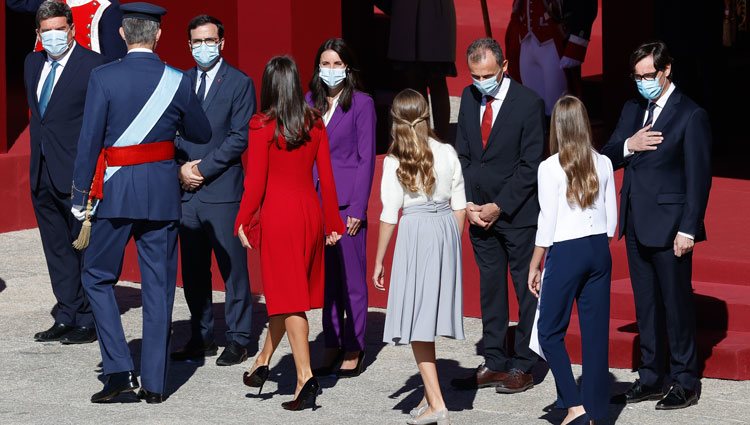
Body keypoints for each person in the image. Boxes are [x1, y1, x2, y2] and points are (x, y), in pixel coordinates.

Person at [70, 2, 212, 404]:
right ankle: (154, 384)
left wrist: (80, 196)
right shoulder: (177, 80)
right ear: (159, 36)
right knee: (159, 287)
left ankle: (117, 373)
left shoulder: (103, 77)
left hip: (114, 193)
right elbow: (200, 131)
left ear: (121, 34)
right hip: (162, 195)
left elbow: (89, 142)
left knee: (96, 278)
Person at [602, 41, 712, 410]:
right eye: (637, 76)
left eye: (649, 75)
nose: (643, 82)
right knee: (646, 304)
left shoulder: (690, 114)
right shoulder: (633, 109)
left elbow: (699, 179)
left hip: (670, 227)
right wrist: (629, 145)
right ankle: (651, 375)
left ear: (666, 72)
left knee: (676, 305)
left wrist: (689, 228)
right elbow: (607, 155)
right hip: (635, 221)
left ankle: (685, 379)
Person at [236, 56, 345, 411]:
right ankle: (263, 361)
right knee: (287, 294)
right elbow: (326, 179)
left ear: (268, 85)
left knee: (289, 298)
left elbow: (255, 181)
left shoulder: (261, 124)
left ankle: (304, 377)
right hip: (309, 214)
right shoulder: (315, 121)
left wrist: (242, 219)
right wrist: (333, 223)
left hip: (279, 216)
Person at [451, 38, 545, 393]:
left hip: (516, 215)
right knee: (490, 289)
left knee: (525, 290)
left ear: (504, 68)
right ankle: (494, 360)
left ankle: (523, 363)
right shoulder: (469, 96)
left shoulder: (528, 103)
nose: (480, 82)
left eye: (487, 75)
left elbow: (530, 164)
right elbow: (462, 154)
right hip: (478, 214)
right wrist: (469, 205)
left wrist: (499, 205)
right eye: (475, 75)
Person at [373, 88, 466, 425]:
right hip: (445, 231)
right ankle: (430, 398)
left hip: (416, 235)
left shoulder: (395, 161)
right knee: (424, 319)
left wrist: (380, 260)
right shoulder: (447, 151)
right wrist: (451, 247)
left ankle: (437, 404)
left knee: (416, 324)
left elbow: (388, 215)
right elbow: (460, 207)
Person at [171, 14, 256, 367]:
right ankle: (201, 334)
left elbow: (239, 137)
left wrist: (202, 169)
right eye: (196, 42)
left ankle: (238, 338)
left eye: (209, 40)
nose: (202, 47)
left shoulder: (239, 82)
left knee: (232, 267)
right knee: (192, 269)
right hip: (186, 191)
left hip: (221, 189)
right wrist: (181, 169)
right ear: (188, 45)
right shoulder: (180, 81)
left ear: (221, 42)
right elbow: (170, 128)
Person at [527, 95, 616, 425]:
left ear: (557, 127)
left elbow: (546, 222)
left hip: (567, 249)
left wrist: (535, 264)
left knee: (549, 330)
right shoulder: (604, 162)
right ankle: (595, 414)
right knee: (595, 337)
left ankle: (575, 406)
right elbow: (612, 220)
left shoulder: (549, 167)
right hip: (599, 250)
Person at [23, 0, 107, 345]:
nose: (54, 36)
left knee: (82, 246)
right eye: (47, 31)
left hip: (75, 173)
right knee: (55, 246)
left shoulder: (94, 66)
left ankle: (88, 316)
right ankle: (67, 311)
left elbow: (100, 123)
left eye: (60, 29)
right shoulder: (32, 62)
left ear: (72, 29)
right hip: (41, 170)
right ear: (39, 34)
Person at [306, 38, 376, 378]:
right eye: (325, 63)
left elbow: (366, 160)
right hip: (316, 201)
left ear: (347, 67)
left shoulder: (361, 104)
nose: (330, 70)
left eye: (336, 64)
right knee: (326, 280)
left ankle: (354, 344)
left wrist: (359, 209)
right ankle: (331, 342)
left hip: (347, 203)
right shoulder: (309, 102)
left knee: (351, 280)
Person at [377, 0, 456, 140]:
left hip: (433, 14)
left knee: (436, 79)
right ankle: (420, 139)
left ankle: (442, 142)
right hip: (408, 14)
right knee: (414, 81)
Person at [505, 0, 598, 115]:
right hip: (525, 40)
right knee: (531, 108)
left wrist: (575, 46)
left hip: (553, 41)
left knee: (558, 108)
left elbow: (585, 6)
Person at [8, 0, 128, 59]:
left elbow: (113, 56)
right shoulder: (53, 1)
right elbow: (16, 2)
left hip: (84, 81)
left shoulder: (108, 7)